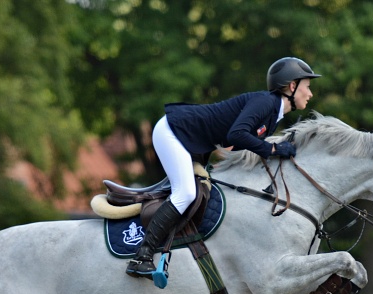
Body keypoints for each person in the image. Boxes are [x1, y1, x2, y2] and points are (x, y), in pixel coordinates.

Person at [126, 57, 322, 279]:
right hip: (175, 131)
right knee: (186, 193)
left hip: (191, 140)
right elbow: (236, 135)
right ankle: (141, 256)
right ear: (292, 86)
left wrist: (272, 150)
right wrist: (274, 149)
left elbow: (236, 145)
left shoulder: (272, 114)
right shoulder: (266, 102)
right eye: (307, 86)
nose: (310, 93)